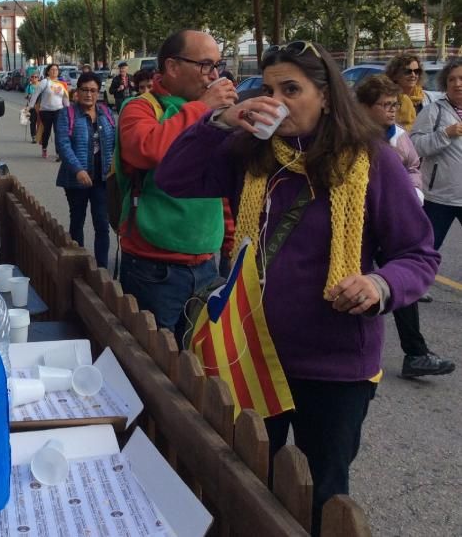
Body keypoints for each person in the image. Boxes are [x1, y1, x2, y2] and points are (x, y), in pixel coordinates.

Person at [155, 40, 440, 534]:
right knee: (244, 484)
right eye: (267, 89)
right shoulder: (249, 154)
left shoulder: (372, 160)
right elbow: (174, 178)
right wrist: (221, 121)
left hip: (333, 368)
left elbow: (418, 254)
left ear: (326, 96)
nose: (276, 100)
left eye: (292, 89)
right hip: (246, 353)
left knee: (320, 494)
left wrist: (379, 284)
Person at [116, 30, 237, 339]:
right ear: (172, 67)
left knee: (198, 361)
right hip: (154, 268)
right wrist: (203, 109)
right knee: (154, 366)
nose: (214, 75)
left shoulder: (212, 112)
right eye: (206, 65)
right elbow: (147, 149)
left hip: (207, 265)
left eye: (217, 66)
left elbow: (219, 183)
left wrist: (230, 242)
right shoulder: (140, 107)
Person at [355, 75, 454, 377]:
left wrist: (414, 192)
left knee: (395, 276)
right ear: (364, 108)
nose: (392, 111)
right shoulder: (349, 138)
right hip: (355, 223)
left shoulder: (399, 136)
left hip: (388, 221)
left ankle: (415, 354)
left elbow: (413, 166)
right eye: (384, 105)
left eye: (394, 105)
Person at [55, 72, 116, 268]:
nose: (88, 94)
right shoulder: (67, 114)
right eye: (84, 90)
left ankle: (102, 268)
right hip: (76, 179)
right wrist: (78, 170)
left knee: (102, 224)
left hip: (102, 178)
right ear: (77, 92)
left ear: (98, 93)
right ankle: (79, 265)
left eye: (93, 90)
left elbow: (115, 142)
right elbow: (63, 145)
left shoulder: (106, 113)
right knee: (78, 220)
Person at [411, 58, 462, 265]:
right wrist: (444, 134)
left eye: (461, 78)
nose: (457, 83)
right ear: (445, 83)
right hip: (439, 197)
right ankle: (416, 286)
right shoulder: (434, 111)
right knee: (428, 246)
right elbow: (414, 145)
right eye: (452, 79)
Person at [28, 63, 69, 159]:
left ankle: (59, 153)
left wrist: (69, 110)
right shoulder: (45, 82)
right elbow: (35, 94)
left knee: (58, 132)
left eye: (56, 70)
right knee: (47, 131)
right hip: (45, 111)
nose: (54, 71)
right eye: (52, 69)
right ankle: (44, 148)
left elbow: (65, 99)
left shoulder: (62, 84)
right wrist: (30, 106)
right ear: (48, 71)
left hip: (59, 110)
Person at [385, 53, 431, 128]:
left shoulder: (428, 98)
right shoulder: (387, 99)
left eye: (416, 71)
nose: (413, 75)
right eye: (407, 71)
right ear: (395, 75)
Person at [24, 74, 40, 141]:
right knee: (33, 121)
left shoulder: (40, 86)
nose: (34, 78)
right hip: (32, 107)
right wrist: (29, 96)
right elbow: (25, 96)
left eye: (35, 77)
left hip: (40, 106)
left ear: (38, 78)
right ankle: (33, 136)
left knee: (40, 122)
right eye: (32, 77)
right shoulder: (29, 86)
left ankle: (40, 135)